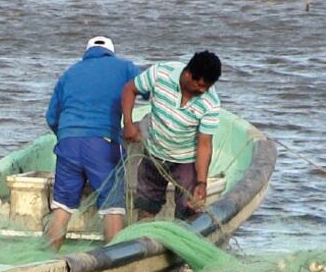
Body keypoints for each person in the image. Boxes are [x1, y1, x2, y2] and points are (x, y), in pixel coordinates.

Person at [44, 36, 141, 250]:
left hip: (68, 142)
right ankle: (115, 260)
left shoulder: (69, 73)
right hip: (103, 144)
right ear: (111, 52)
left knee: (62, 208)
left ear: (87, 53)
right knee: (112, 207)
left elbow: (51, 117)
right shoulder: (126, 67)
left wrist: (68, 137)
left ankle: (48, 257)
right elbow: (148, 88)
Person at [120, 50, 222, 221]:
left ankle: (179, 233)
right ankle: (144, 231)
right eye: (200, 85)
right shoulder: (161, 73)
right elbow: (129, 89)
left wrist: (201, 182)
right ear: (188, 74)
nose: (203, 90)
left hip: (185, 160)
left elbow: (204, 144)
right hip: (154, 152)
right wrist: (128, 124)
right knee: (146, 206)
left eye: (207, 86)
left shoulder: (211, 103)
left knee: (188, 211)